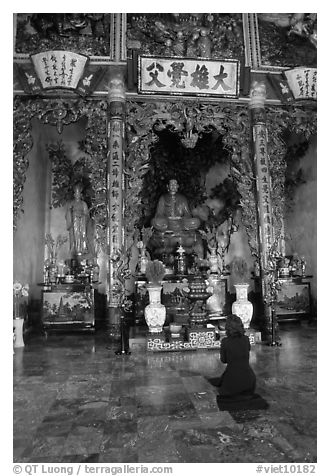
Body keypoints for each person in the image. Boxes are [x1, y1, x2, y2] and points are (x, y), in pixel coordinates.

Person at [218, 314, 256, 398]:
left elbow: (223, 360)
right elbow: (247, 350)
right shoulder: (246, 339)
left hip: (232, 380)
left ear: (227, 327)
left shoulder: (225, 341)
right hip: (249, 380)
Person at [65, 183, 90, 256]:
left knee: (81, 236)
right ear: (74, 195)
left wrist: (82, 216)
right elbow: (67, 214)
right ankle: (73, 250)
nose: (77, 195)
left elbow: (87, 214)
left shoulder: (83, 204)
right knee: (74, 236)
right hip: (73, 222)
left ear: (81, 195)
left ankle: (82, 250)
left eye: (79, 194)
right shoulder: (71, 203)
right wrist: (71, 214)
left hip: (81, 223)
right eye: (76, 193)